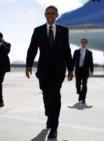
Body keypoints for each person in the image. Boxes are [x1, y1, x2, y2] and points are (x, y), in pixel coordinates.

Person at [25, 5, 74, 139]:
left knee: (54, 96)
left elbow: (67, 50)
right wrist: (29, 65)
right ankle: (49, 113)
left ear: (57, 15)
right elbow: (32, 49)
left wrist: (70, 68)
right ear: (45, 15)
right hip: (43, 70)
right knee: (46, 95)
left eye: (53, 13)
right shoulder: (38, 30)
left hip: (58, 70)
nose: (50, 15)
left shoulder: (63, 31)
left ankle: (54, 127)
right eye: (48, 13)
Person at [73, 38, 94, 104]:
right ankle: (79, 93)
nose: (83, 43)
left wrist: (91, 70)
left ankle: (83, 98)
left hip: (85, 71)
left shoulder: (89, 52)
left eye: (85, 42)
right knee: (77, 85)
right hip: (78, 70)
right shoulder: (76, 52)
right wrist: (70, 69)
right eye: (82, 42)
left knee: (84, 85)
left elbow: (91, 62)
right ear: (81, 43)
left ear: (86, 43)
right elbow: (73, 61)